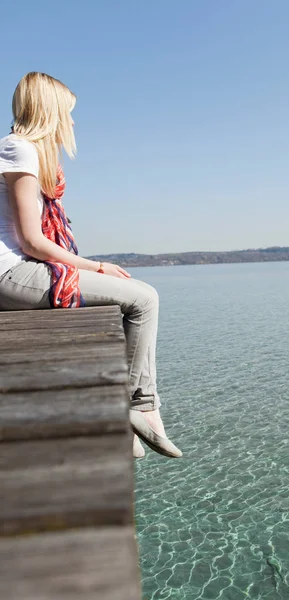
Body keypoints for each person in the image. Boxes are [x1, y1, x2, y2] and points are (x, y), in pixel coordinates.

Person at [0, 72, 182, 459]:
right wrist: (96, 266)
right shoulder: (20, 150)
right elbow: (32, 240)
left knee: (137, 298)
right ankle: (140, 407)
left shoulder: (23, 152)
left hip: (16, 270)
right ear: (49, 111)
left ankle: (134, 411)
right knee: (144, 299)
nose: (73, 121)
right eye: (68, 112)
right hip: (8, 275)